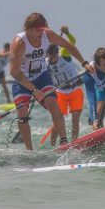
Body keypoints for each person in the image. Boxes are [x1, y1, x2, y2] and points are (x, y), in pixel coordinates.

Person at [10, 13, 93, 150]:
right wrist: (34, 90)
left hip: (42, 76)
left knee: (53, 105)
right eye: (38, 30)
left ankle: (64, 143)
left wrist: (84, 63)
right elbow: (14, 72)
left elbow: (68, 46)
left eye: (43, 29)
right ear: (28, 29)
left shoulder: (48, 35)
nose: (41, 33)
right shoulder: (20, 43)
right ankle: (30, 151)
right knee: (22, 113)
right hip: (22, 80)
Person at [46, 43, 84, 144]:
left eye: (55, 55)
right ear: (47, 55)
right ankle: (52, 145)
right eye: (51, 56)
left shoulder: (65, 57)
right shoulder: (45, 64)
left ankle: (74, 143)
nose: (53, 58)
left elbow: (71, 42)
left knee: (75, 118)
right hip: (60, 92)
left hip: (75, 89)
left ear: (57, 53)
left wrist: (66, 33)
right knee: (57, 119)